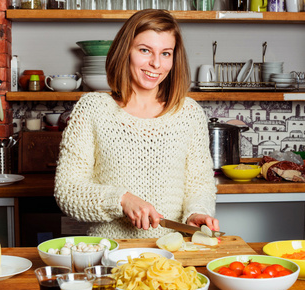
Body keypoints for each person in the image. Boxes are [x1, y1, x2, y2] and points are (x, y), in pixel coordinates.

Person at [54, 9, 219, 239]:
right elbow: (67, 191)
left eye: (166, 53)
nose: (156, 64)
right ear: (125, 51)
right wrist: (121, 199)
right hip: (109, 254)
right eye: (145, 50)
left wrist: (197, 213)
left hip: (171, 257)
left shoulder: (189, 113)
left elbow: (199, 185)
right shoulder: (92, 109)